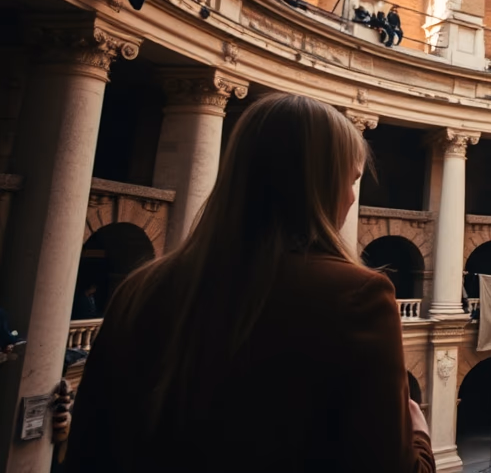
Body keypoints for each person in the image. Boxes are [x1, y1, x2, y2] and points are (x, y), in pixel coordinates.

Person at [66, 93, 433, 471]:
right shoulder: (357, 297)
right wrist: (419, 435)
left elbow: (90, 450)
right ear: (320, 183)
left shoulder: (140, 289)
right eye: (352, 179)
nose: (353, 197)